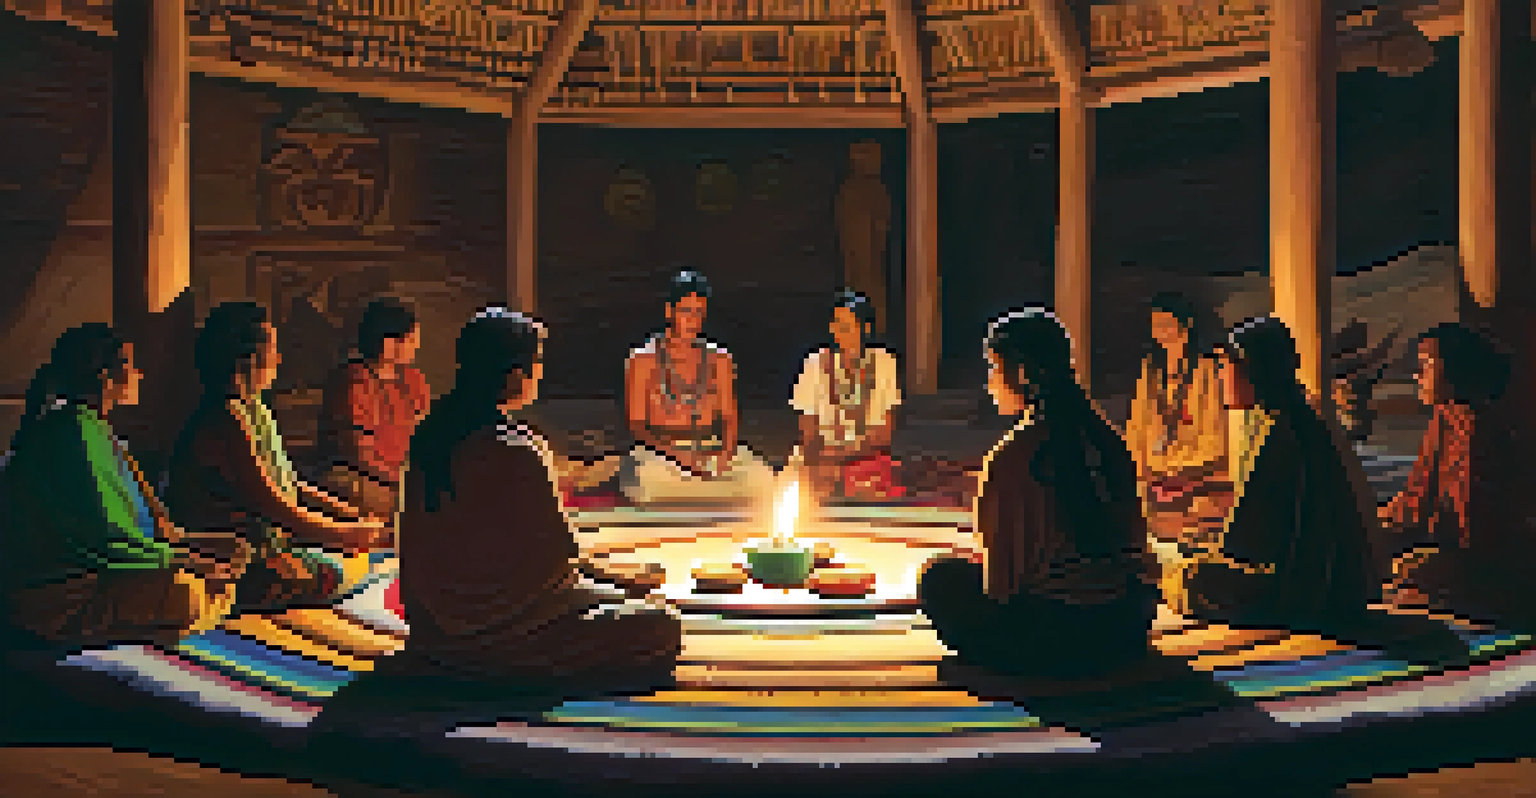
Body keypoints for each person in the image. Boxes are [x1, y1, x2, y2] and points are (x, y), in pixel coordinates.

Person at [387, 307, 681, 694]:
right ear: (515, 376)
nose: (540, 372)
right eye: (537, 362)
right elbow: (556, 564)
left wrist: (613, 584)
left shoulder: (431, 434)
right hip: (500, 635)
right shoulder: (515, 450)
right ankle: (510, 674)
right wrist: (618, 583)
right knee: (660, 625)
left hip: (433, 630)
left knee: (622, 600)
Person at [1185, 317, 1465, 661]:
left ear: (1253, 370)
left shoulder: (1277, 432)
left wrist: (1202, 547)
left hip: (1302, 587)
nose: (1221, 377)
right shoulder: (1290, 420)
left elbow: (1244, 542)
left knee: (1192, 577)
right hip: (1316, 578)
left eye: (1226, 367)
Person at [918, 309, 1161, 683]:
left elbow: (1002, 588)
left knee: (940, 577)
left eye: (994, 369)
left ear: (1021, 374)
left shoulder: (1015, 456)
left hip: (1054, 636)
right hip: (1127, 623)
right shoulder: (1107, 439)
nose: (990, 382)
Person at [1, 324, 250, 653]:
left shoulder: (95, 430)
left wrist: (195, 546)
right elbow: (106, 539)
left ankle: (161, 623)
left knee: (230, 555)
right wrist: (189, 561)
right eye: (131, 366)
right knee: (185, 591)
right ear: (106, 377)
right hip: (60, 593)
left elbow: (150, 526)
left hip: (108, 567)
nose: (139, 375)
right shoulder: (74, 433)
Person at [164, 302, 385, 614]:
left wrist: (351, 515)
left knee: (355, 560)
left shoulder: (255, 409)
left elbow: (291, 484)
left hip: (267, 538)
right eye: (272, 350)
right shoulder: (226, 418)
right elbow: (273, 504)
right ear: (247, 359)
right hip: (229, 550)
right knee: (338, 571)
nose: (279, 359)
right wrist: (346, 534)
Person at [1378, 323, 1531, 626]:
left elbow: (1478, 533)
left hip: (1486, 566)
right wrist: (1374, 523)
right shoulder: (1443, 420)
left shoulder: (1477, 431)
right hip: (1457, 554)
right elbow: (1416, 497)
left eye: (1425, 365)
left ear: (1454, 370)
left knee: (1400, 584)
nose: (1417, 375)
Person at [621, 270, 774, 505]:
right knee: (648, 480)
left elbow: (729, 417)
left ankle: (700, 491)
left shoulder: (719, 359)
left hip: (710, 450)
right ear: (669, 311)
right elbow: (637, 424)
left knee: (762, 479)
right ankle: (711, 492)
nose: (693, 320)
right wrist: (677, 455)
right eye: (686, 311)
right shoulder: (642, 360)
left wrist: (725, 453)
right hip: (662, 456)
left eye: (699, 313)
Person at [1124, 293, 1229, 583]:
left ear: (1186, 325)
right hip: (1156, 472)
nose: (1162, 332)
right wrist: (1139, 464)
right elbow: (1138, 425)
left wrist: (1178, 463)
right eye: (1156, 326)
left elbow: (1215, 432)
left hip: (1196, 471)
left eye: (1167, 324)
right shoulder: (1151, 370)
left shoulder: (1207, 369)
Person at [317, 297, 431, 530]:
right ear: (388, 344)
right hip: (360, 477)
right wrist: (404, 480)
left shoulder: (413, 380)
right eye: (411, 339)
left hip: (404, 478)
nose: (417, 346)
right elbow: (358, 454)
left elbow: (427, 435)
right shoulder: (353, 382)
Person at [789, 290, 903, 501]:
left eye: (848, 326)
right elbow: (808, 429)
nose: (841, 332)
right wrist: (822, 461)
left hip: (866, 458)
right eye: (837, 325)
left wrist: (844, 455)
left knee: (868, 489)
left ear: (865, 328)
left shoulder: (884, 362)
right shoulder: (815, 363)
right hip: (821, 458)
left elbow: (884, 433)